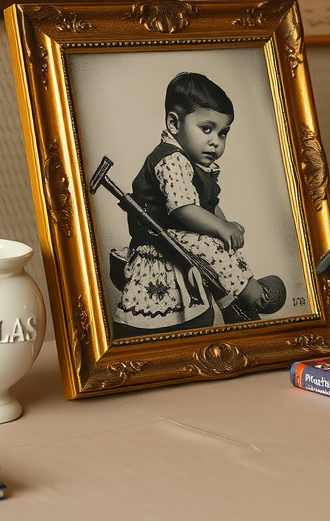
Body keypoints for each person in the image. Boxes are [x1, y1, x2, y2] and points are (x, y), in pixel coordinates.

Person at [112, 72, 285, 337]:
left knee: (217, 241)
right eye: (207, 129)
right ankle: (249, 293)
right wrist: (219, 228)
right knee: (212, 244)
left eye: (223, 133)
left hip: (177, 232)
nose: (215, 141)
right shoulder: (171, 160)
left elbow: (206, 206)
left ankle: (233, 295)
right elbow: (184, 208)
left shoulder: (195, 165)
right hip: (159, 235)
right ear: (174, 123)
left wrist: (224, 224)